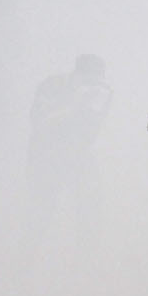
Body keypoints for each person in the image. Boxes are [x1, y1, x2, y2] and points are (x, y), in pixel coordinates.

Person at [24, 54, 113, 263]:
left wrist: (89, 106)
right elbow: (39, 120)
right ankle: (24, 259)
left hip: (79, 155)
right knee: (42, 209)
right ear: (76, 75)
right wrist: (72, 106)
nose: (92, 84)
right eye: (88, 79)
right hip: (46, 155)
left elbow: (91, 131)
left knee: (90, 207)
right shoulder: (53, 85)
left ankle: (86, 264)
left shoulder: (100, 93)